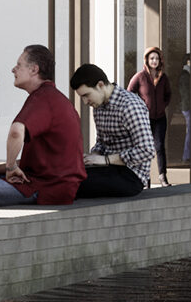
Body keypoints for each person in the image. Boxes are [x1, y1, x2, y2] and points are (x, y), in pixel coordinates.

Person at [0, 44, 84, 209]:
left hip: (47, 188)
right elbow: (40, 161)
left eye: (18, 65)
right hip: (53, 183)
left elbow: (16, 132)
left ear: (34, 69)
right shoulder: (53, 98)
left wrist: (10, 167)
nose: (13, 70)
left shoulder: (42, 99)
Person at [69, 63, 152, 199]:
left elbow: (146, 150)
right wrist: (92, 156)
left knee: (72, 183)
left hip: (131, 175)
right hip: (108, 169)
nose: (85, 102)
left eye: (86, 95)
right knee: (65, 173)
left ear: (100, 85)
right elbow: (102, 141)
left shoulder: (130, 106)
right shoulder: (98, 106)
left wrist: (106, 160)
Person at [128, 46, 173, 186]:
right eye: (152, 58)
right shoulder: (140, 77)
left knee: (159, 147)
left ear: (160, 61)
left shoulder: (163, 78)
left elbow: (168, 95)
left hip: (160, 118)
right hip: (144, 120)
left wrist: (162, 106)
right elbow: (129, 93)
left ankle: (162, 177)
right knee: (146, 149)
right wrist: (140, 107)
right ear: (147, 60)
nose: (154, 61)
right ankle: (146, 179)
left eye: (157, 58)